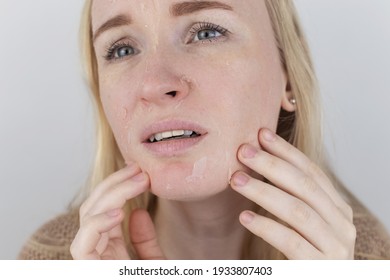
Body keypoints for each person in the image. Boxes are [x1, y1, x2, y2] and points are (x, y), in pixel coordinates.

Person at [19, 0, 390, 260]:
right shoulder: (49, 261)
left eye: (207, 32)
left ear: (288, 77)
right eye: (121, 50)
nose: (155, 83)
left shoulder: (370, 260)